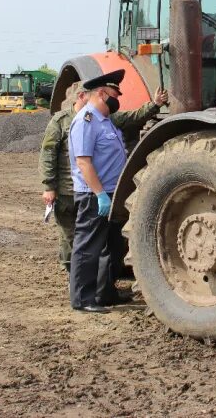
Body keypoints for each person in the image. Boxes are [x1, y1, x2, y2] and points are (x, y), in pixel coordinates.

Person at [39, 80, 167, 272]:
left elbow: (131, 118)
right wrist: (49, 186)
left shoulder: (101, 118)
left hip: (91, 187)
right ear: (81, 97)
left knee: (94, 240)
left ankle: (94, 279)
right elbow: (48, 153)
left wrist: (154, 105)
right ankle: (72, 274)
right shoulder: (61, 121)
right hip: (67, 190)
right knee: (71, 237)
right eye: (86, 96)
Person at [68, 69, 130, 313]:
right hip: (95, 195)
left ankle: (104, 294)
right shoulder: (86, 121)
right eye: (116, 94)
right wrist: (99, 194)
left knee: (112, 247)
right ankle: (83, 299)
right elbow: (83, 162)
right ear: (103, 94)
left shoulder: (106, 122)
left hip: (112, 194)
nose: (118, 99)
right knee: (88, 247)